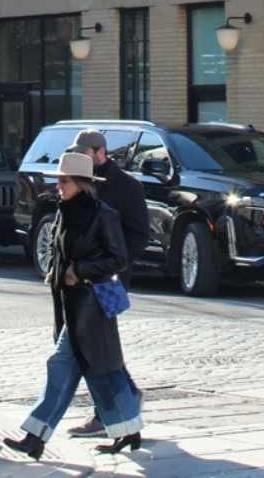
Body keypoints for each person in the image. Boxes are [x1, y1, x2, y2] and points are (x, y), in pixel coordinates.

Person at [3, 150, 143, 461]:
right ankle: (128, 428)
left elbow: (118, 258)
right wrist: (55, 270)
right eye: (58, 181)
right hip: (70, 305)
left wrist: (79, 271)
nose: (59, 186)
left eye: (64, 181)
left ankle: (35, 436)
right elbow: (60, 251)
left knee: (64, 366)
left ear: (82, 183)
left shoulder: (103, 214)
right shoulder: (62, 212)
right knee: (103, 371)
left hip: (91, 306)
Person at [67, 129, 149, 438]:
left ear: (100, 152)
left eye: (84, 152)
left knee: (94, 345)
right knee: (96, 345)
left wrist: (114, 262)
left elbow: (139, 234)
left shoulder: (126, 186)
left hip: (108, 280)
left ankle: (107, 413)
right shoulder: (79, 181)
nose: (79, 157)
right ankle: (125, 397)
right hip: (79, 278)